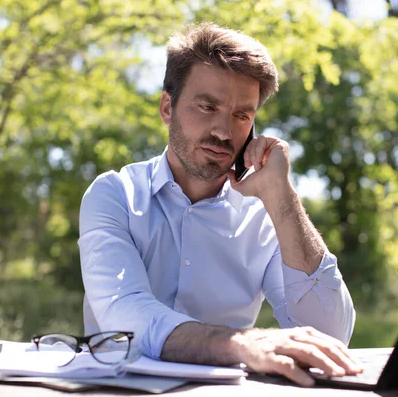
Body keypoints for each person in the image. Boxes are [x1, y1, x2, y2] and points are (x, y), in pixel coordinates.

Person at [79, 22, 361, 387]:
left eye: (241, 115)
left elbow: (331, 336)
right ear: (168, 106)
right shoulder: (114, 195)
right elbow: (125, 317)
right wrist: (240, 344)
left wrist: (282, 196)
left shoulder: (266, 214)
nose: (224, 132)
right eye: (207, 106)